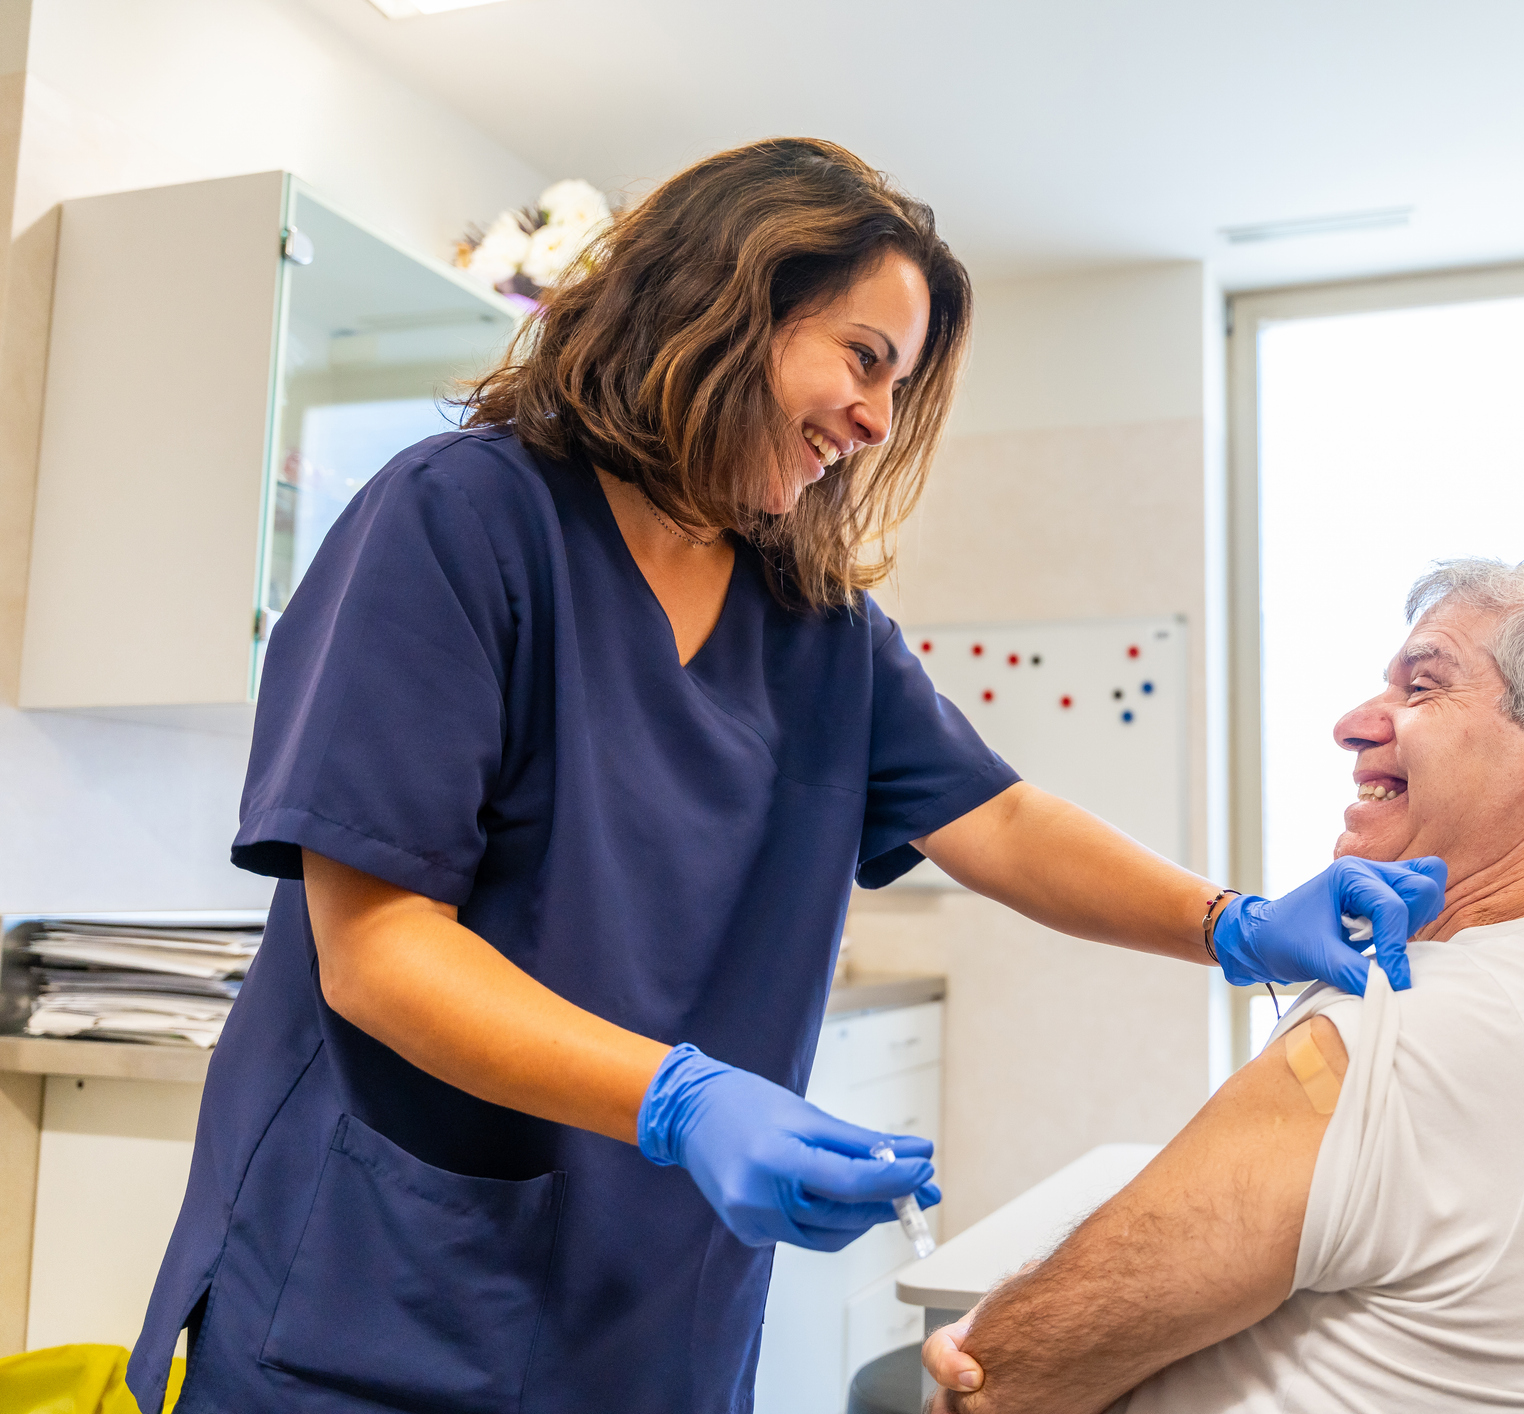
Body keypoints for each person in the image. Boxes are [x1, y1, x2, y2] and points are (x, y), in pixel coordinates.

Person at [127, 138, 1442, 1414]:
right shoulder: (461, 524)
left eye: (896, 383)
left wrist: (1230, 922)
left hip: (653, 1313)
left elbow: (1004, 819)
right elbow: (377, 951)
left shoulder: (816, 628)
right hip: (383, 1291)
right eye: (863, 359)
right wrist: (675, 1096)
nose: (873, 421)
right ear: (722, 306)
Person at [923, 550, 1524, 1413]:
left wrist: (1004, 1325)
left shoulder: (1428, 1026)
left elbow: (998, 1382)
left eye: (1421, 688)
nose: (1353, 724)